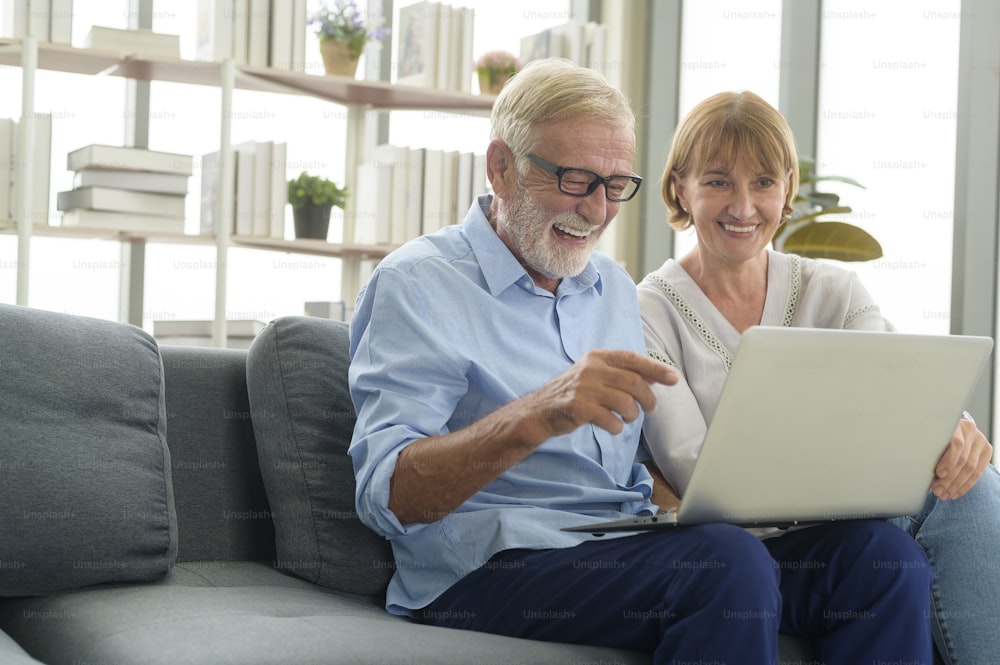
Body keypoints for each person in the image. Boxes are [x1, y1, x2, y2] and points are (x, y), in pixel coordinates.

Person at [348, 59, 934, 664]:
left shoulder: (608, 285)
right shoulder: (417, 284)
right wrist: (536, 415)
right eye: (575, 179)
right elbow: (387, 495)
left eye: (615, 185)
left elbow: (646, 461)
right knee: (724, 564)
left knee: (878, 561)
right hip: (486, 564)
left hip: (619, 541)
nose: (598, 211)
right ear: (502, 167)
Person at [639, 88, 1000, 665]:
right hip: (730, 552)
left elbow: (901, 388)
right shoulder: (647, 311)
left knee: (924, 528)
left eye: (763, 182)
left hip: (830, 538)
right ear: (678, 186)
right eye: (717, 181)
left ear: (786, 191)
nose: (743, 206)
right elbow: (696, 469)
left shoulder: (832, 289)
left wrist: (953, 427)